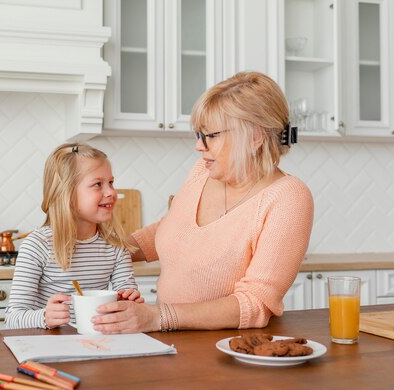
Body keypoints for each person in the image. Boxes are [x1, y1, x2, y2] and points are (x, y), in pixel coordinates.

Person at [92, 71, 314, 333]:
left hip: (229, 353)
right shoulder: (203, 171)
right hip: (171, 341)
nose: (199, 146)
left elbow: (255, 304)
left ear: (255, 137)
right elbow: (171, 229)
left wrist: (157, 317)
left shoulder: (288, 197)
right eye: (199, 134)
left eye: (211, 135)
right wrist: (97, 250)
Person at [4, 143, 143, 329]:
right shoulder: (37, 245)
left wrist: (129, 302)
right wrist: (45, 317)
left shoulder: (115, 247)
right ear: (66, 193)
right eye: (98, 184)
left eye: (111, 182)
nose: (111, 192)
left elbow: (126, 301)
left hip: (99, 345)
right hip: (50, 348)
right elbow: (13, 318)